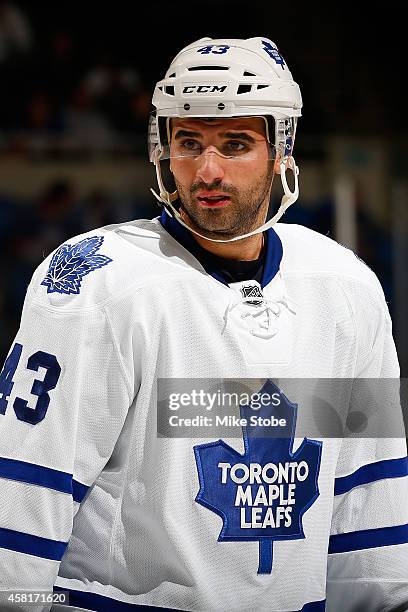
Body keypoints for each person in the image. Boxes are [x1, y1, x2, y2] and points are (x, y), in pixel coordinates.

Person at [0, 36, 407, 612]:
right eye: (189, 142)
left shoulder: (346, 286)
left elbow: (371, 508)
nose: (207, 170)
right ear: (161, 148)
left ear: (282, 150)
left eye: (235, 143)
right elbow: (21, 499)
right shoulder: (98, 280)